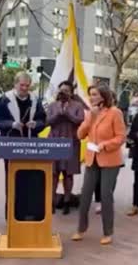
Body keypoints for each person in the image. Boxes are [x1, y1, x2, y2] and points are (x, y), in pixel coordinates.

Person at [71, 85, 126, 245]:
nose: (91, 97)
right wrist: (91, 118)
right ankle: (81, 229)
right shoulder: (90, 113)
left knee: (105, 195)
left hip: (109, 159)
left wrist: (105, 145)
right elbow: (80, 134)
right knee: (85, 194)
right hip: (92, 159)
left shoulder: (115, 112)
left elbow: (121, 137)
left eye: (94, 94)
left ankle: (108, 232)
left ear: (103, 96)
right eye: (90, 95)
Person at [0, 72, 46, 219]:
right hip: (11, 144)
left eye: (27, 86)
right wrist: (11, 124)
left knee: (29, 179)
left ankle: (28, 212)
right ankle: (11, 214)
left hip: (30, 144)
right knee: (12, 179)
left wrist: (36, 125)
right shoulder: (5, 100)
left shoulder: (35, 100)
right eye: (22, 85)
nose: (24, 88)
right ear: (15, 84)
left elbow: (42, 120)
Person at [46, 80, 84, 215]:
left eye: (67, 91)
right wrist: (58, 114)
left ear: (71, 93)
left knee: (68, 174)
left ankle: (67, 201)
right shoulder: (52, 105)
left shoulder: (77, 106)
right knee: (53, 174)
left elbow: (80, 121)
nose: (64, 93)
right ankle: (51, 202)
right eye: (62, 90)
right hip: (54, 142)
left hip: (71, 142)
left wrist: (67, 113)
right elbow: (47, 121)